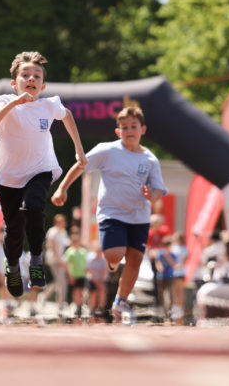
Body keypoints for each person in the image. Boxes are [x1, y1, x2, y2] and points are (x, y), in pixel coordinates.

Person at [0, 51, 87, 298]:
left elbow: (67, 116)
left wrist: (79, 150)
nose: (30, 78)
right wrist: (14, 103)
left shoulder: (48, 105)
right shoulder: (4, 102)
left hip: (40, 169)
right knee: (14, 228)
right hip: (8, 178)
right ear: (14, 83)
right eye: (25, 75)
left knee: (35, 208)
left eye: (36, 76)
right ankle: (13, 266)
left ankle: (36, 260)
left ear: (43, 84)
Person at [52, 105, 167, 323]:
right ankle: (112, 264)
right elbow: (81, 164)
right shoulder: (107, 151)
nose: (129, 131)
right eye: (124, 127)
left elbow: (159, 190)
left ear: (143, 129)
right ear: (118, 132)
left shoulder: (150, 160)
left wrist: (151, 194)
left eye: (134, 126)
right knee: (115, 254)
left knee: (135, 259)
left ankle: (121, 301)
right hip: (111, 212)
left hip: (139, 216)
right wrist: (62, 188)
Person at [42, 213, 70, 315]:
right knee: (61, 281)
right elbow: (52, 248)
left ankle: (45, 296)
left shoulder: (64, 232)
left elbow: (66, 246)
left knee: (59, 281)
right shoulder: (52, 232)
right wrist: (58, 260)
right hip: (54, 260)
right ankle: (60, 304)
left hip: (61, 259)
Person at [63, 228, 88, 319]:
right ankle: (77, 306)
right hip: (73, 274)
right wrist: (69, 275)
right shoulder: (69, 251)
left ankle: (80, 306)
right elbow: (67, 264)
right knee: (75, 292)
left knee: (81, 292)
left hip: (82, 274)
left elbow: (86, 263)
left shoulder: (83, 251)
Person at [86, 241, 108, 320]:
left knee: (102, 292)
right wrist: (96, 281)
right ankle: (92, 309)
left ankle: (101, 308)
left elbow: (104, 270)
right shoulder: (90, 258)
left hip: (101, 279)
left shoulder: (103, 259)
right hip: (92, 279)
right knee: (93, 293)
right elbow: (89, 270)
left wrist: (101, 281)